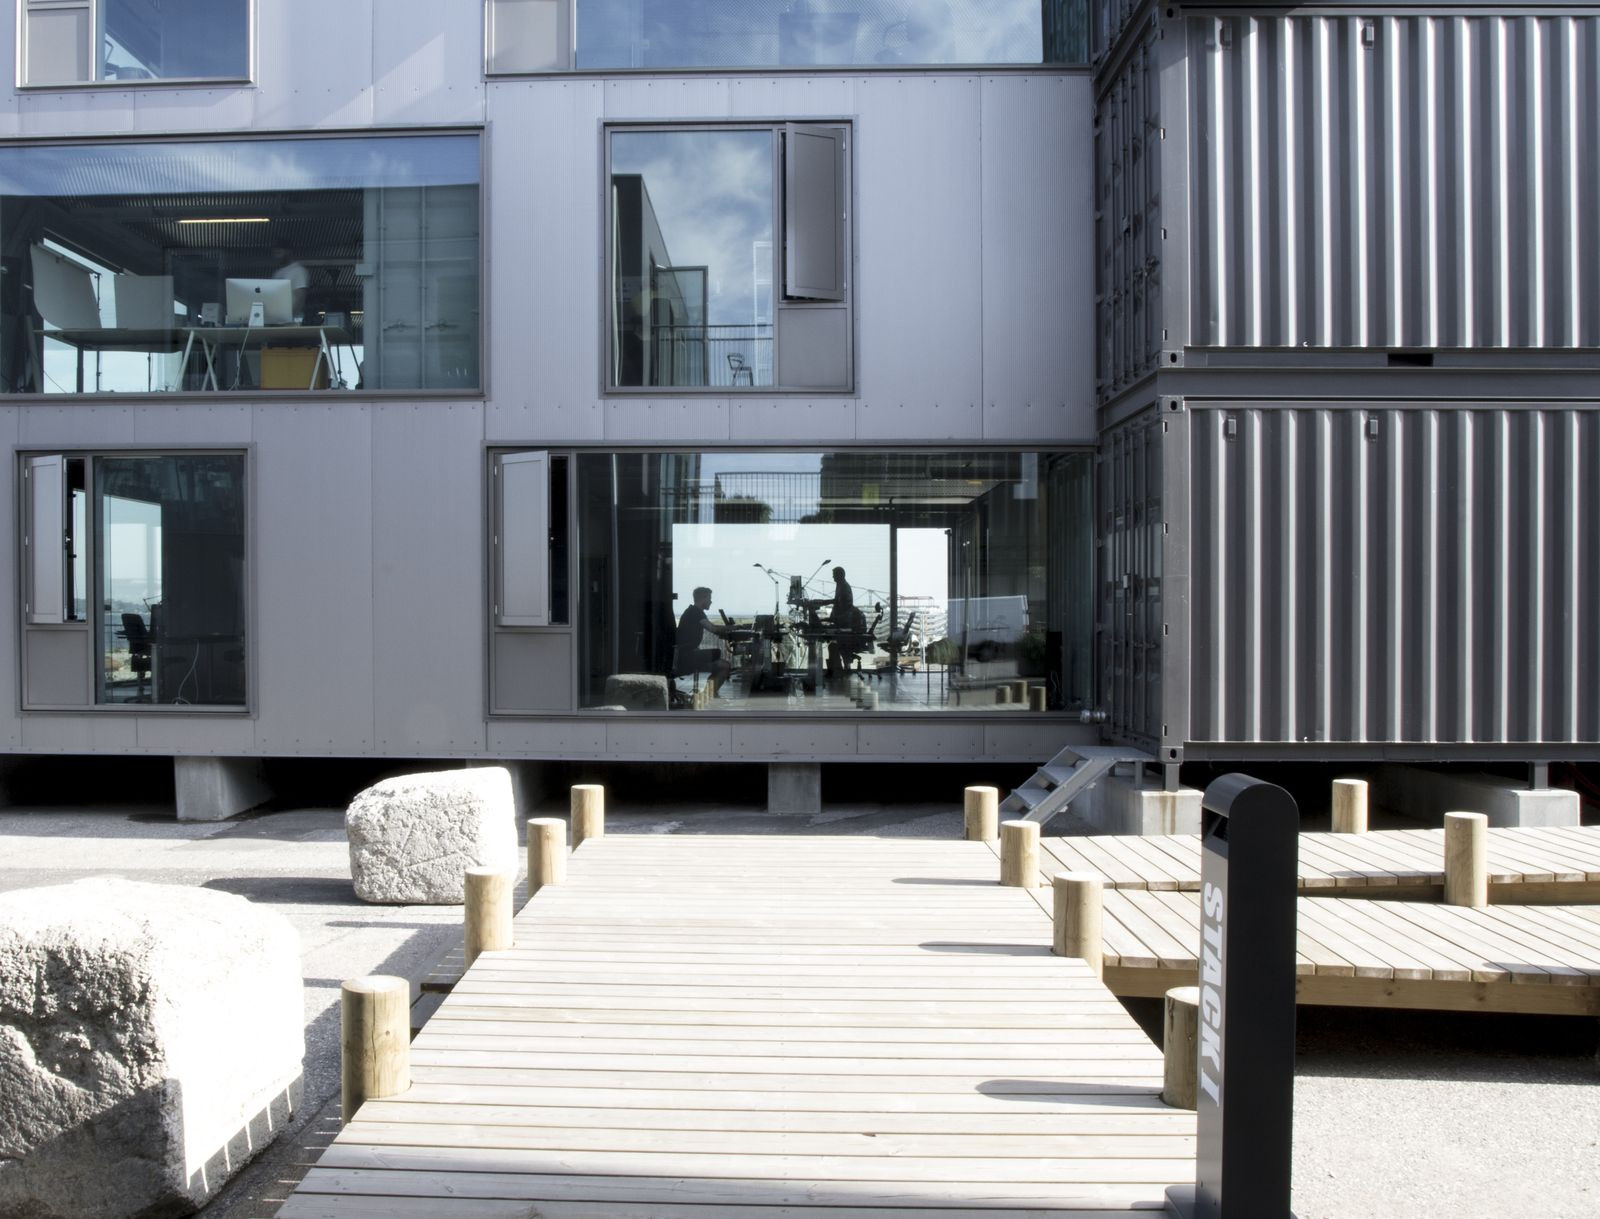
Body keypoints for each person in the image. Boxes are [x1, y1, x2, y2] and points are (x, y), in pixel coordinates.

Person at [675, 586, 732, 697]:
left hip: (684, 656)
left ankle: (709, 693)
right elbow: (713, 629)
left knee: (718, 657)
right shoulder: (696, 612)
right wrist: (732, 628)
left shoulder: (691, 611)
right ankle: (709, 694)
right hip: (686, 658)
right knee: (724, 664)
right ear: (703, 598)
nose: (711, 601)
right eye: (709, 598)